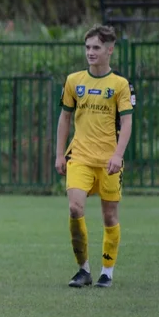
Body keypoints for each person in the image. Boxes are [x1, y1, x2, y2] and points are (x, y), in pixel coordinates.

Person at [55, 25, 134, 289]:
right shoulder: (74, 81)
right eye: (88, 47)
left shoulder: (120, 85)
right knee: (75, 208)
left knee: (109, 217)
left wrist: (118, 155)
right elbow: (64, 118)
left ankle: (107, 272)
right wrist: (59, 154)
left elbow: (127, 123)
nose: (91, 52)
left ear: (109, 50)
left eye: (96, 48)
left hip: (108, 160)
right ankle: (83, 269)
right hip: (79, 156)